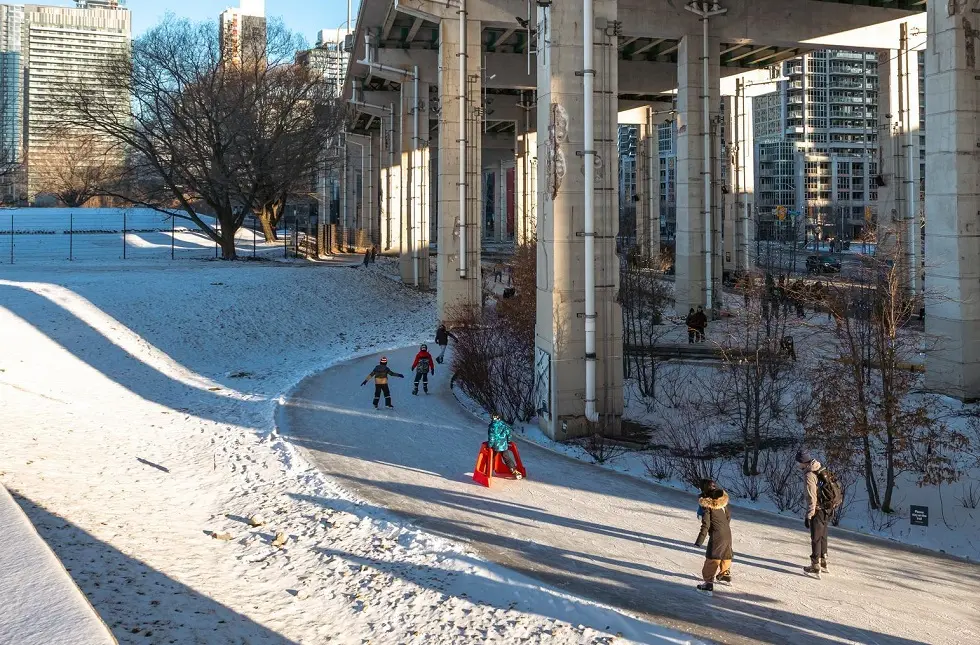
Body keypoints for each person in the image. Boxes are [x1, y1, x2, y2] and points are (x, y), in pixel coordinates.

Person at [797, 449, 834, 576]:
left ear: (803, 462)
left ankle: (815, 565)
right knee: (823, 536)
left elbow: (812, 496)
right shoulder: (820, 468)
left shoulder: (809, 475)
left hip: (818, 509)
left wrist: (809, 514)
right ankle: (824, 561)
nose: (798, 465)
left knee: (816, 538)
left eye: (799, 463)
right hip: (827, 508)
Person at [694, 479, 733, 595]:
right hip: (727, 532)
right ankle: (724, 574)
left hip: (717, 534)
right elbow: (728, 516)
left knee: (712, 557)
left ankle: (708, 585)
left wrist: (699, 541)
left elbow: (706, 524)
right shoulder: (722, 503)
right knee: (726, 554)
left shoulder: (707, 506)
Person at [487, 413, 523, 479]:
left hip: (495, 446)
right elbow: (508, 433)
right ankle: (514, 470)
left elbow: (491, 438)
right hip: (504, 445)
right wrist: (508, 440)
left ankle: (488, 470)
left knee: (491, 457)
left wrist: (489, 445)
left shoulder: (492, 426)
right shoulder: (503, 425)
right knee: (507, 458)